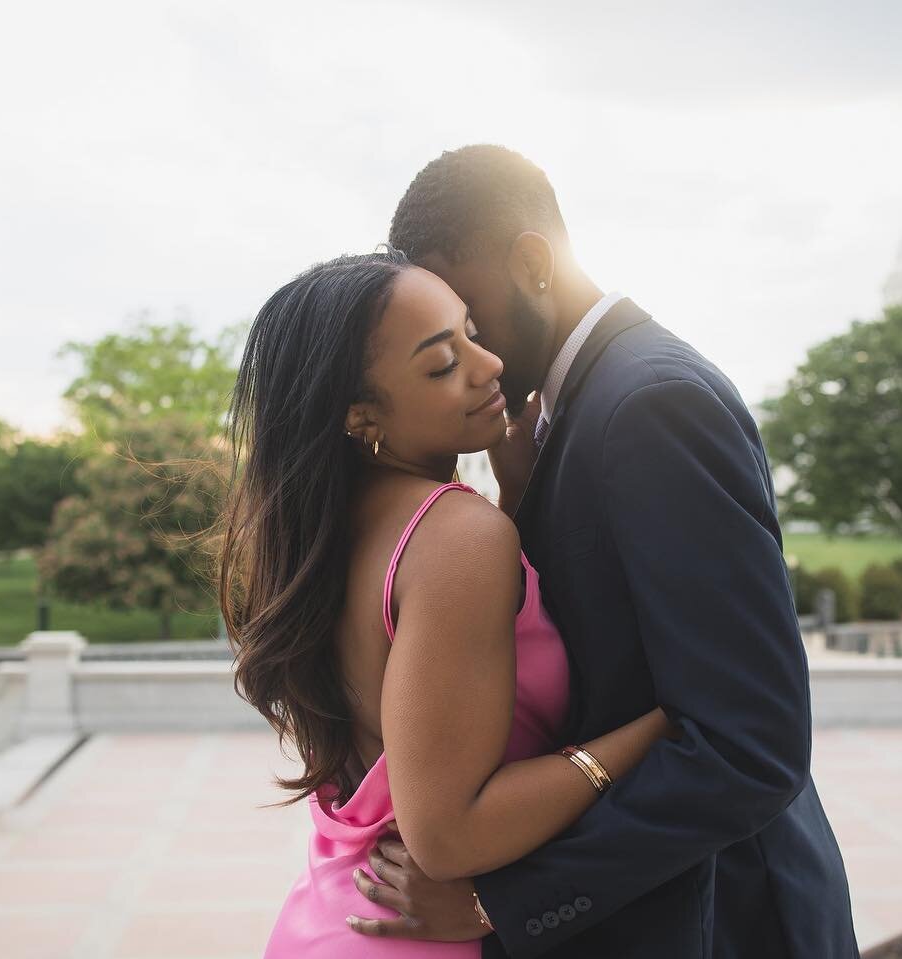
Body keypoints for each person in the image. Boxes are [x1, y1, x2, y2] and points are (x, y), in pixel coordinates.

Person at [346, 145, 858, 957]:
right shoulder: (574, 409)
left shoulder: (653, 403)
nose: (477, 357)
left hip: (721, 922)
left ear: (533, 263)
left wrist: (505, 898)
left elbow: (750, 743)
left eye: (473, 317)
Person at [218, 249, 678, 957]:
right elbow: (448, 833)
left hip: (329, 917)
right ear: (361, 415)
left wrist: (520, 499)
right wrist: (651, 730)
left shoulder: (323, 534)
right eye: (441, 363)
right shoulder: (457, 536)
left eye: (470, 331)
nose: (488, 364)